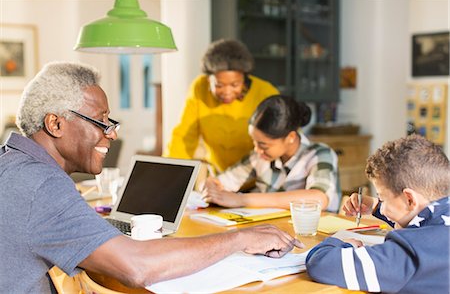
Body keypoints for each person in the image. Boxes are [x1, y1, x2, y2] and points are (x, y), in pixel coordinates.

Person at [0, 61, 303, 293]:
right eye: (101, 121)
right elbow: (136, 266)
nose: (113, 132)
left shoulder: (11, 162)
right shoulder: (41, 185)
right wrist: (239, 238)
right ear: (55, 124)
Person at [306, 134, 450, 294]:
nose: (382, 208)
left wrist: (341, 242)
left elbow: (321, 265)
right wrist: (376, 205)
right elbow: (422, 220)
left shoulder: (411, 251)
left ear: (409, 199)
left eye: (383, 198)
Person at [202, 95, 341, 212]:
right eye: (254, 142)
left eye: (263, 145)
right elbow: (221, 181)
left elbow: (318, 198)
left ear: (290, 137)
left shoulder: (320, 154)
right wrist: (212, 186)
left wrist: (242, 199)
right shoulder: (260, 156)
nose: (257, 149)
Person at [164, 39, 279, 173]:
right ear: (208, 79)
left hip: (259, 178)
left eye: (235, 85)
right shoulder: (199, 89)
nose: (227, 92)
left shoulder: (265, 92)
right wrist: (168, 172)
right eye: (219, 85)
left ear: (245, 78)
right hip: (220, 178)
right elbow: (184, 137)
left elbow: (281, 141)